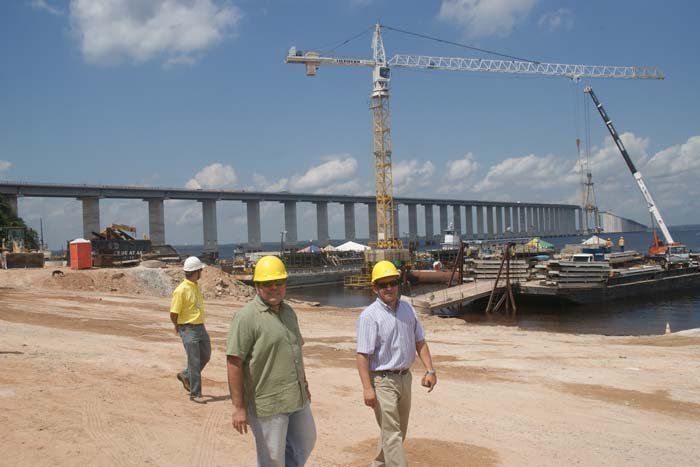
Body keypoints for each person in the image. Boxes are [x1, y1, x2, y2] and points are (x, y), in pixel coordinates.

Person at [226, 255, 316, 467]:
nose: (274, 288)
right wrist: (239, 407)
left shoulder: (288, 312)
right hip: (268, 404)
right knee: (272, 459)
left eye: (279, 283)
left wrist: (304, 383)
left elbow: (295, 350)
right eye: (268, 283)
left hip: (296, 397)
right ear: (257, 285)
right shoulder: (246, 317)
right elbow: (233, 362)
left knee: (305, 441)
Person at [356, 260, 437, 467]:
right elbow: (363, 355)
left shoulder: (408, 310)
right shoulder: (369, 316)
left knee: (397, 432)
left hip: (405, 378)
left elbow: (420, 341)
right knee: (392, 434)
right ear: (375, 288)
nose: (389, 288)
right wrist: (367, 388)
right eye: (383, 285)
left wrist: (430, 370)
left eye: (392, 282)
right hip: (382, 381)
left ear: (398, 283)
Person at [170, 256, 211, 403]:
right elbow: (173, 313)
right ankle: (196, 394)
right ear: (195, 272)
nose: (201, 273)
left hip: (200, 327)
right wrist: (178, 327)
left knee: (206, 355)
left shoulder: (195, 286)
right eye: (200, 270)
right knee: (194, 361)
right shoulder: (180, 290)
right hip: (188, 328)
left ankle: (186, 375)